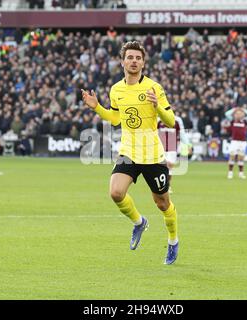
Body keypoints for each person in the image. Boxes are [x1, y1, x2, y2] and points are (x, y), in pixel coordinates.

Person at [81, 41, 179, 265]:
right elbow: (116, 119)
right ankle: (139, 222)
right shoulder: (116, 89)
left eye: (138, 58)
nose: (134, 61)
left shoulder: (154, 88)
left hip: (152, 154)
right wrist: (97, 107)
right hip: (128, 151)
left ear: (143, 62)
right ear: (123, 61)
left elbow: (171, 121)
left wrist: (158, 108)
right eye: (130, 57)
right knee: (116, 193)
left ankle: (173, 241)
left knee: (163, 204)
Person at [158, 115, 192, 193]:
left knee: (169, 167)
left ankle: (168, 185)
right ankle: (162, 185)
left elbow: (182, 133)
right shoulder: (158, 120)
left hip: (172, 147)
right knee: (162, 167)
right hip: (160, 148)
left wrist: (188, 145)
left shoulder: (177, 120)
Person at [225, 106, 247, 179]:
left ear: (243, 115)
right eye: (237, 113)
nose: (238, 115)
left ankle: (241, 173)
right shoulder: (233, 120)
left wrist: (243, 109)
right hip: (234, 141)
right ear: (235, 115)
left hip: (242, 142)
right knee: (232, 157)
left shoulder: (245, 121)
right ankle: (230, 172)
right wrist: (234, 109)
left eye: (240, 113)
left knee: (241, 157)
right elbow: (227, 114)